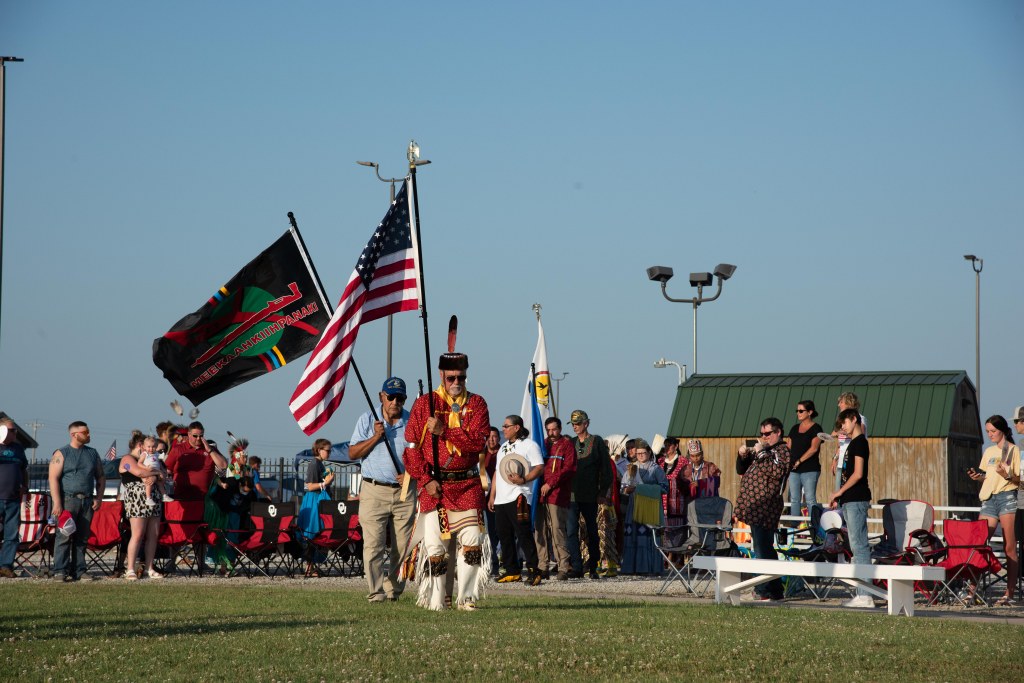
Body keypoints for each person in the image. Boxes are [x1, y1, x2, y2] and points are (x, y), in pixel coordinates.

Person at [404, 349, 491, 611]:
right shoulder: (425, 405)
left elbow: (478, 442)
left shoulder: (477, 404)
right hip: (435, 486)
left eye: (461, 378)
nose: (456, 383)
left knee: (472, 542)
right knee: (436, 546)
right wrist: (424, 479)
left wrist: (446, 431)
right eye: (451, 377)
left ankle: (466, 599)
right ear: (442, 375)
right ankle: (436, 600)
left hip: (468, 484)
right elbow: (410, 449)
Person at [349, 376, 417, 603]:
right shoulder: (367, 420)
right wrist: (376, 437)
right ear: (381, 396)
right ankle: (376, 592)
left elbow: (421, 457)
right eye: (391, 396)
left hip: (404, 491)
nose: (395, 401)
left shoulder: (412, 422)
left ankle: (394, 589)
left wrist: (410, 473)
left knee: (403, 545)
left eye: (400, 398)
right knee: (373, 544)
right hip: (373, 489)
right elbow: (353, 453)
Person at [735, 417, 790, 601]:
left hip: (767, 506)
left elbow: (777, 472)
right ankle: (774, 590)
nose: (764, 437)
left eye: (767, 434)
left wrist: (760, 454)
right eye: (762, 434)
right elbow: (740, 469)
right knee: (764, 548)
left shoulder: (782, 451)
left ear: (778, 432)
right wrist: (742, 455)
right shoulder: (765, 451)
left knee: (762, 549)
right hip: (755, 507)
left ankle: (763, 591)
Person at [967, 414, 1020, 606]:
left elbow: (1017, 480)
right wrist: (977, 477)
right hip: (988, 498)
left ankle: (1009, 593)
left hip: (1007, 498)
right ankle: (972, 590)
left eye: (993, 431)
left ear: (1003, 430)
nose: (990, 434)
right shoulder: (988, 451)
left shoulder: (1012, 450)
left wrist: (1007, 475)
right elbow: (988, 477)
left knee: (1009, 547)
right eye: (988, 431)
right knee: (979, 544)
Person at [489, 415, 545, 585]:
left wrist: (525, 479)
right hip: (501, 498)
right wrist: (492, 496)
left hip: (518, 495)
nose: (503, 429)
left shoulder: (529, 445)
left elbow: (540, 467)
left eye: (506, 426)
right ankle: (512, 570)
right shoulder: (503, 447)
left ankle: (535, 570)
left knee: (523, 533)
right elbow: (497, 473)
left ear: (517, 427)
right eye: (503, 426)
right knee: (503, 534)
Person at [49, 421, 106, 582]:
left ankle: (79, 570)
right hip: (68, 500)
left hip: (87, 500)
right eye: (85, 432)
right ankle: (60, 570)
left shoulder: (92, 453)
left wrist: (99, 497)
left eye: (88, 431)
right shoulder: (62, 453)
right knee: (64, 536)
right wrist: (57, 502)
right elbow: (53, 478)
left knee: (82, 537)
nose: (89, 434)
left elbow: (100, 476)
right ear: (74, 434)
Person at [828, 409, 874, 608]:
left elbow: (858, 474)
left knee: (860, 546)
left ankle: (866, 595)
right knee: (855, 546)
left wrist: (838, 492)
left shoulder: (860, 442)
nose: (842, 428)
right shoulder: (852, 444)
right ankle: (861, 593)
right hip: (848, 500)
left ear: (854, 419)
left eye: (844, 423)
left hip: (857, 499)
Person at [566, 410, 613, 580]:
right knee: (571, 531)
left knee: (592, 530)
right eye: (573, 424)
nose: (575, 427)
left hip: (591, 494)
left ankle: (593, 565)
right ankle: (577, 566)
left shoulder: (597, 442)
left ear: (586, 423)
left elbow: (606, 469)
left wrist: (602, 492)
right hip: (571, 495)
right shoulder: (570, 443)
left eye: (578, 423)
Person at [535, 416, 576, 581]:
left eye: (554, 429)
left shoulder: (567, 445)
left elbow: (568, 469)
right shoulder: (541, 444)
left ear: (560, 429)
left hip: (557, 495)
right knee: (540, 530)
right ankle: (542, 566)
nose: (551, 433)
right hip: (539, 495)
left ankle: (563, 567)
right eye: (548, 430)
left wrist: (550, 484)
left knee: (557, 529)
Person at [119, 435, 165, 580]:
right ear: (140, 445)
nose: (150, 450)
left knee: (153, 534)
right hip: (136, 499)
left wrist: (157, 475)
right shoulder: (127, 459)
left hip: (154, 498)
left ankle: (149, 567)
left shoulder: (152, 459)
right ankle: (130, 568)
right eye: (148, 447)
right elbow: (139, 472)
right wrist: (156, 473)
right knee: (137, 534)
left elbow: (164, 475)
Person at [620, 440, 668, 575]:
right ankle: (632, 567)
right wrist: (627, 490)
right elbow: (623, 487)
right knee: (633, 535)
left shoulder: (655, 468)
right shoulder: (631, 467)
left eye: (643, 453)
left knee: (647, 537)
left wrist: (641, 488)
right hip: (634, 507)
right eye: (638, 453)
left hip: (649, 507)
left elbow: (665, 488)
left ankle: (649, 568)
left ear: (649, 453)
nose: (640, 455)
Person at [299, 438, 335, 577]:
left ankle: (312, 565)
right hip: (313, 500)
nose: (329, 453)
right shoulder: (314, 464)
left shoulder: (320, 463)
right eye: (328, 450)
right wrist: (325, 483)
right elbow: (309, 485)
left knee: (317, 532)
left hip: (318, 500)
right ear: (319, 450)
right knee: (312, 532)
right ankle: (309, 566)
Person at [164, 421, 227, 501]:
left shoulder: (210, 449)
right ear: (189, 434)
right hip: (180, 498)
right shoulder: (178, 449)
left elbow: (224, 465)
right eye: (195, 436)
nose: (198, 438)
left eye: (201, 436)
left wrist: (210, 450)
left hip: (203, 499)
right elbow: (167, 470)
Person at [0, 418, 28, 578]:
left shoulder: (18, 449)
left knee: (11, 535)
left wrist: (25, 486)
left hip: (13, 499)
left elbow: (24, 469)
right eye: (12, 430)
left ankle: (6, 566)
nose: (15, 433)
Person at [787, 400, 823, 521]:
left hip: (810, 469)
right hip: (794, 470)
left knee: (810, 498)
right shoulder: (794, 428)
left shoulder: (816, 428)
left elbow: (814, 449)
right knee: (794, 498)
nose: (798, 413)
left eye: (801, 411)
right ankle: (794, 527)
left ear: (810, 412)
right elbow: (788, 447)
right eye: (797, 411)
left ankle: (814, 527)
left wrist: (799, 461)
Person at [831, 393, 867, 490]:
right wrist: (835, 459)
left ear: (849, 403)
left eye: (841, 402)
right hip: (841, 463)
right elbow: (840, 445)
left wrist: (841, 432)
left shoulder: (860, 418)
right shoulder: (843, 422)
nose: (839, 405)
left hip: (851, 462)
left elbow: (860, 436)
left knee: (848, 491)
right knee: (838, 493)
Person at [480, 426, 502, 576]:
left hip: (503, 497)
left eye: (494, 437)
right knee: (489, 532)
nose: (491, 440)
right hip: (485, 499)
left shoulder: (504, 452)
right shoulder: (480, 455)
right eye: (489, 437)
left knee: (504, 531)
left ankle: (512, 562)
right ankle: (492, 562)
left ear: (499, 438)